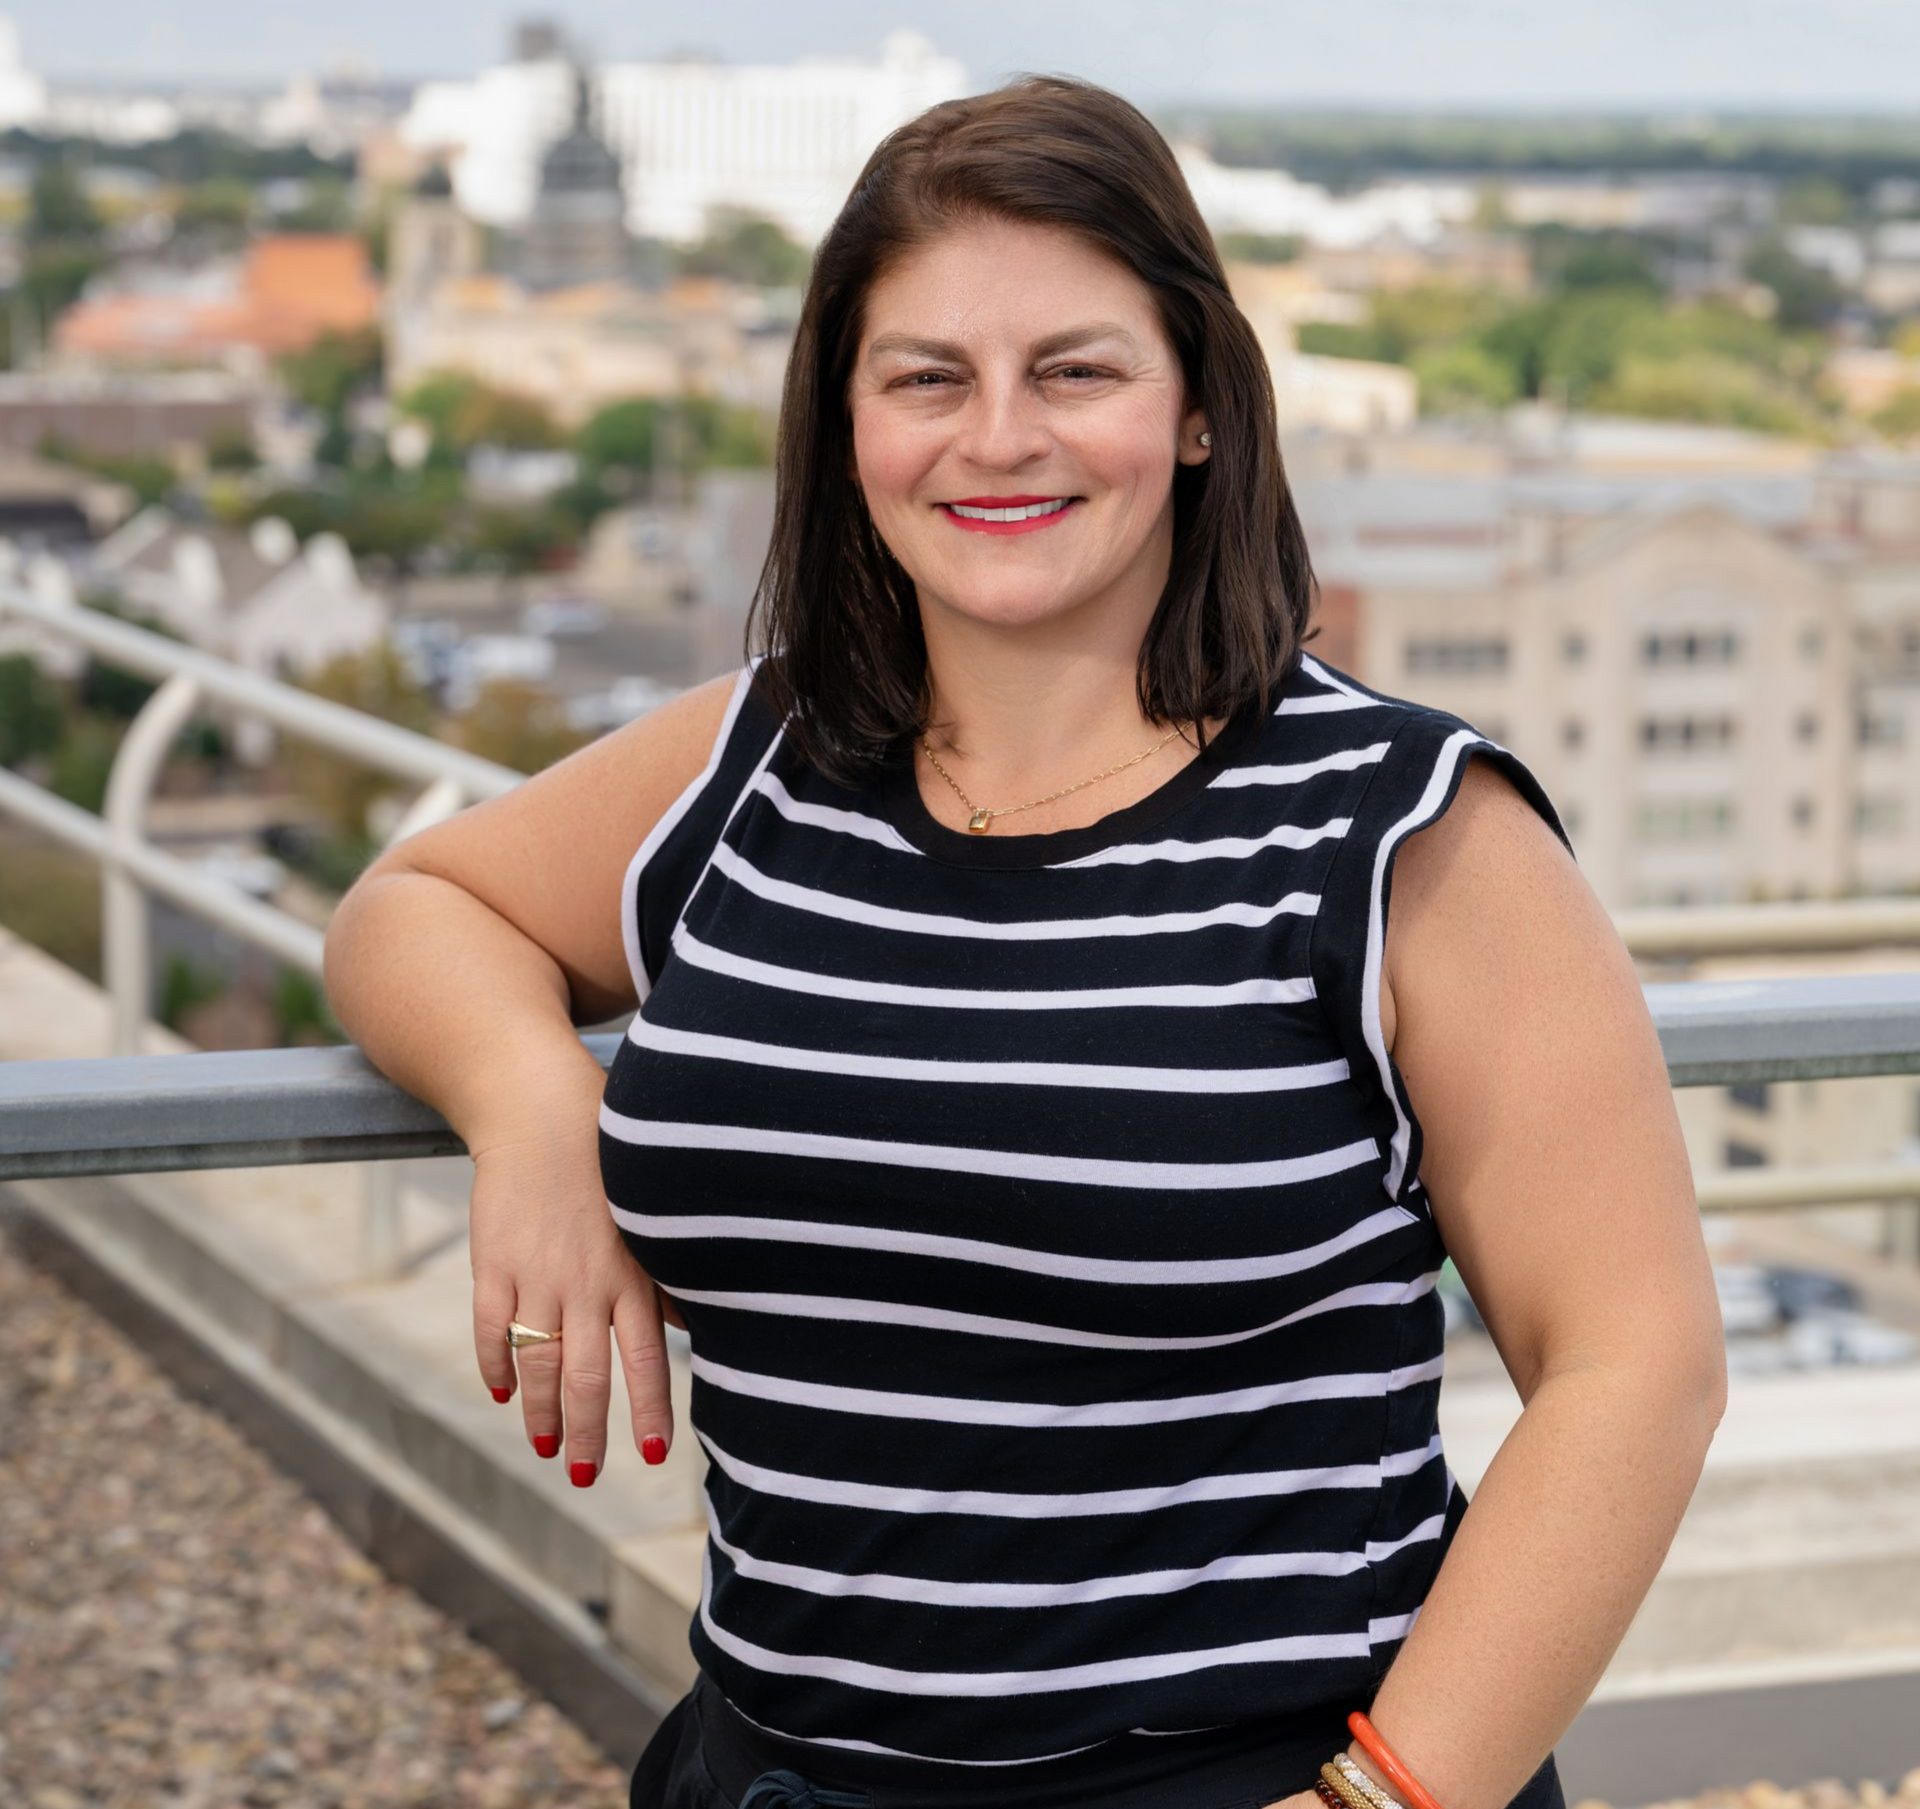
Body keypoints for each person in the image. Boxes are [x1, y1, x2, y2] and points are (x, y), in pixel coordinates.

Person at [322, 74, 1727, 1809]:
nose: (998, 438)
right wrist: (534, 1113)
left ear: (1199, 409)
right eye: (928, 377)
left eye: (1075, 369)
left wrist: (1383, 1802)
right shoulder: (757, 760)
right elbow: (416, 903)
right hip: (771, 1769)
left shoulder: (1404, 828)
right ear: (847, 423)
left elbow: (1634, 1369)